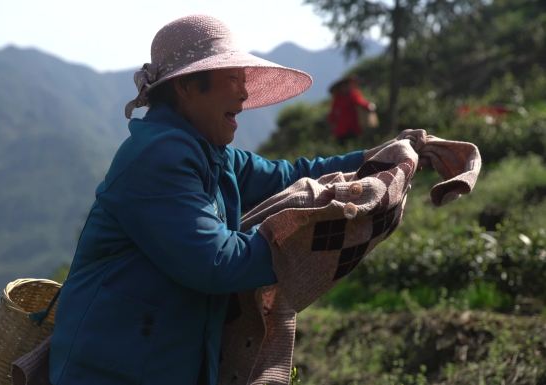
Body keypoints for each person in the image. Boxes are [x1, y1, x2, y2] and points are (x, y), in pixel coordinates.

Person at [48, 14, 423, 385]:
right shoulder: (159, 157)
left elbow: (287, 176)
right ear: (187, 87)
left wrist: (375, 157)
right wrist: (314, 238)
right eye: (232, 79)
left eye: (242, 79)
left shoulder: (210, 153)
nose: (244, 93)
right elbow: (215, 262)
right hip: (115, 368)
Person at [328, 75, 377, 143]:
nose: (345, 87)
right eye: (343, 86)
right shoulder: (337, 98)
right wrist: (332, 124)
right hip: (341, 129)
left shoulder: (353, 94)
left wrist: (369, 105)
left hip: (353, 126)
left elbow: (360, 102)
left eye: (347, 85)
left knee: (353, 143)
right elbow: (333, 113)